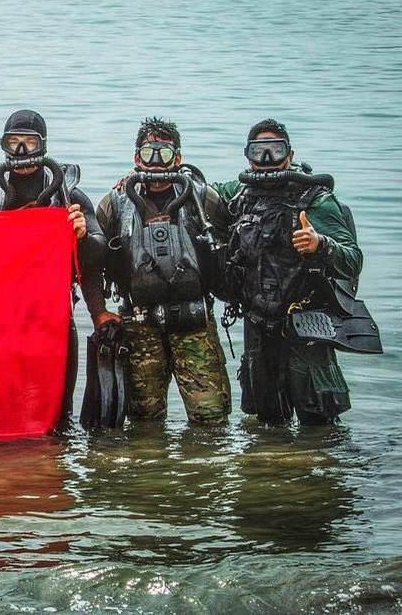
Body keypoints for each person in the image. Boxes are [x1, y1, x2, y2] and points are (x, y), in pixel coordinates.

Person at [214, 119, 363, 425]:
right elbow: (201, 192)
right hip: (257, 323)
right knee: (267, 422)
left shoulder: (316, 201)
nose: (267, 160)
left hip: (306, 325)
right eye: (259, 151)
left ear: (290, 155)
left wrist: (321, 244)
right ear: (247, 156)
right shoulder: (239, 194)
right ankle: (273, 472)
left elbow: (353, 260)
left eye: (275, 150)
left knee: (319, 423)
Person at [94, 117, 231, 424]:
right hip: (139, 323)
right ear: (135, 158)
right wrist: (99, 311)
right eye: (147, 153)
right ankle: (149, 471)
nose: (156, 162)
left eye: (165, 154)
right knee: (143, 419)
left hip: (194, 321)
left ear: (178, 158)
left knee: (211, 419)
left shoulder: (203, 199)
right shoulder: (115, 203)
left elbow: (232, 241)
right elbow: (92, 255)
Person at [0, 109, 103, 415]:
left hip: (52, 318)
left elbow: (98, 255)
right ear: (2, 145)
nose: (20, 151)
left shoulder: (69, 195)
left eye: (29, 142)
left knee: (57, 409)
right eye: (13, 142)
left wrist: (80, 236)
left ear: (43, 146)